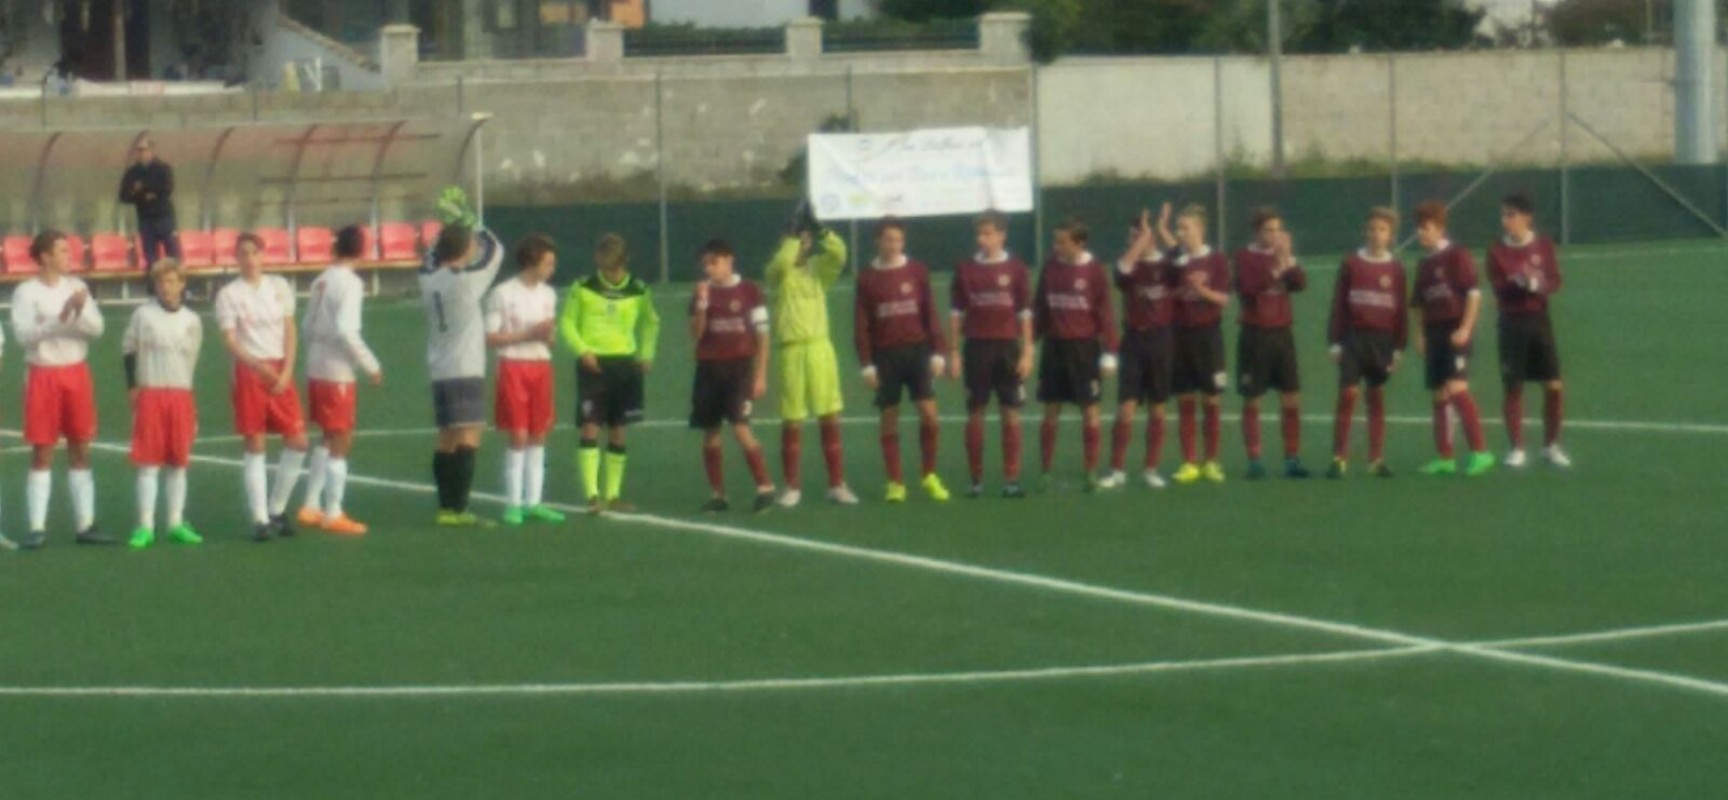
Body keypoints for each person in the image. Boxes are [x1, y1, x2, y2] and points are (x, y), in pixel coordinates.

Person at [10, 230, 110, 549]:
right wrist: (60, 318)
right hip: (43, 375)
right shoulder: (26, 292)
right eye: (63, 251)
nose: (70, 256)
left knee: (81, 447)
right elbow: (24, 336)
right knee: (43, 451)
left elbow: (97, 329)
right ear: (44, 257)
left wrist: (76, 313)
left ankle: (86, 524)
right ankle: (37, 527)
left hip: (76, 374)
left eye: (70, 251)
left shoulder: (77, 288)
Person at [215, 233, 311, 542]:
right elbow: (230, 339)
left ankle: (277, 508)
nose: (249, 259)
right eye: (243, 253)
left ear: (263, 255)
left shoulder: (279, 286)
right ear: (236, 258)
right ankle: (259, 519)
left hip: (280, 369)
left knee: (298, 441)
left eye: (254, 252)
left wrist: (287, 370)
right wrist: (257, 365)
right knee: (255, 443)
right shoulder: (229, 294)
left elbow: (290, 330)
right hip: (250, 372)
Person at [559, 233, 661, 515]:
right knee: (590, 426)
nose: (609, 273)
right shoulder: (582, 287)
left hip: (625, 366)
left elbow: (652, 323)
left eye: (614, 268)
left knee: (618, 430)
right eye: (604, 267)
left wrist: (646, 354)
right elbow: (567, 322)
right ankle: (592, 495)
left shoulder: (639, 290)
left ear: (624, 262)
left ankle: (613, 494)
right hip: (594, 366)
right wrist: (583, 350)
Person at [766, 205, 857, 507]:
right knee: (793, 419)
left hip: (820, 348)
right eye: (794, 241)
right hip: (791, 351)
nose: (802, 247)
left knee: (829, 415)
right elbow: (781, 264)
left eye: (805, 242)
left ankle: (837, 483)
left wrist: (821, 230)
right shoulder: (778, 273)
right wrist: (793, 237)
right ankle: (791, 486)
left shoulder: (818, 271)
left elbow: (840, 255)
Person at [854, 218, 949, 503]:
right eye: (888, 240)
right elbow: (861, 324)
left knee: (930, 415)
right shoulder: (866, 277)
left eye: (898, 240)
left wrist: (938, 351)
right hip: (885, 356)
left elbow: (929, 312)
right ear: (878, 241)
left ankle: (929, 475)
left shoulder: (917, 271)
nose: (894, 245)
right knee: (889, 417)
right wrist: (867, 363)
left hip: (917, 351)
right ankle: (895, 482)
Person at [297, 225, 383, 535]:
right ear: (361, 250)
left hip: (316, 366)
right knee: (342, 437)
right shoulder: (351, 283)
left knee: (326, 436)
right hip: (337, 371)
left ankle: (310, 504)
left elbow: (306, 324)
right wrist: (370, 364)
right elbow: (347, 330)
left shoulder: (321, 279)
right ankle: (333, 511)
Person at [420, 221, 506, 526]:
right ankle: (459, 508)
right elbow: (496, 251)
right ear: (466, 248)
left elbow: (429, 256)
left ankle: (446, 507)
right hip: (465, 366)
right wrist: (477, 223)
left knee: (446, 437)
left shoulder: (428, 279)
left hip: (440, 367)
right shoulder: (468, 281)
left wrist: (443, 236)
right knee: (469, 435)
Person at [949, 211, 1034, 499]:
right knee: (975, 412)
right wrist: (954, 353)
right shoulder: (965, 269)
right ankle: (976, 480)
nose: (981, 239)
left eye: (987, 234)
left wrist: (1027, 352)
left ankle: (1011, 479)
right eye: (979, 234)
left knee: (1011, 412)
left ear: (1001, 235)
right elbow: (956, 314)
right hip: (976, 348)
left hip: (1008, 348)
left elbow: (1024, 313)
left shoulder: (1016, 268)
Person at [690, 239, 777, 514]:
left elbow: (763, 336)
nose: (709, 269)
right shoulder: (701, 293)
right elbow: (695, 333)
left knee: (741, 428)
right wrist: (702, 306)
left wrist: (761, 374)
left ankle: (765, 488)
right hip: (708, 370)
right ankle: (718, 495)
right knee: (711, 432)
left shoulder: (750, 290)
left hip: (739, 370)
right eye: (705, 264)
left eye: (714, 262)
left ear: (730, 260)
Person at [1032, 218, 1118, 491]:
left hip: (1084, 349)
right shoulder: (1050, 267)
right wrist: (1029, 343)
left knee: (1090, 411)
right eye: (1055, 241)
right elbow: (1039, 309)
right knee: (1051, 410)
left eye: (1062, 242)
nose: (1056, 246)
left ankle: (1090, 472)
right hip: (1054, 348)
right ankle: (1045, 471)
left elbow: (1105, 314)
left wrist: (1110, 353)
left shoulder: (1094, 272)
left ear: (1079, 243)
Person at [486, 234, 566, 526]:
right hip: (513, 367)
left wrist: (548, 335)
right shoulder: (502, 294)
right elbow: (491, 337)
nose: (552, 268)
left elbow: (550, 340)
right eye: (548, 263)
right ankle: (513, 504)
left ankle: (534, 502)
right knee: (518, 435)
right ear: (532, 263)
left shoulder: (548, 294)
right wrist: (529, 333)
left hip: (541, 366)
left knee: (539, 432)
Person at [123, 259, 204, 549]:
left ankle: (175, 522)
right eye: (161, 282)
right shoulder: (143, 315)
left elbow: (191, 360)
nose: (166, 287)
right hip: (151, 393)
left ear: (182, 284)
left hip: (180, 395)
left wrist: (186, 394)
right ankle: (145, 525)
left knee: (178, 463)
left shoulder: (192, 321)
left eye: (171, 281)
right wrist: (133, 386)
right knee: (148, 463)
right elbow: (129, 350)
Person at [1412, 202, 1496, 477]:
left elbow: (1473, 293)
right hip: (1434, 331)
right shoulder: (1424, 263)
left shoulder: (1457, 255)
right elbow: (1418, 304)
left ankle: (1480, 452)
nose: (1420, 233)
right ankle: (1445, 457)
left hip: (1454, 329)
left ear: (1439, 229)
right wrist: (1420, 333)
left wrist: (1466, 328)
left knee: (1457, 387)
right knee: (1439, 393)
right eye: (1419, 228)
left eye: (1425, 228)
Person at [1101, 206, 1180, 491]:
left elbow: (1182, 257)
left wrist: (1160, 229)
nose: (1134, 242)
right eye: (1132, 237)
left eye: (1139, 237)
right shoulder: (1129, 266)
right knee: (1127, 408)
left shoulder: (1167, 265)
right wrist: (1140, 239)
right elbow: (1121, 272)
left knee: (1158, 408)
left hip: (1161, 340)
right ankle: (1117, 469)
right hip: (1134, 340)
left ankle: (1150, 468)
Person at [1327, 207, 1409, 479]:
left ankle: (1375, 459)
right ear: (1365, 232)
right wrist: (1335, 342)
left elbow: (1401, 311)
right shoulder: (1351, 263)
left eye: (1382, 230)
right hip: (1353, 338)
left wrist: (1399, 347)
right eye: (1372, 229)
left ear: (1391, 236)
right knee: (1348, 394)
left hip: (1382, 341)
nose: (1376, 234)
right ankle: (1339, 457)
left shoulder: (1396, 269)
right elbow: (1338, 304)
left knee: (1376, 396)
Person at [1488, 192, 1569, 468]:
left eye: (1511, 215)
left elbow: (1555, 280)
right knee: (1513, 387)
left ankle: (1551, 446)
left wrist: (1538, 284)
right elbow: (1497, 285)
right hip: (1511, 323)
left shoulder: (1543, 245)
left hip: (1539, 321)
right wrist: (1519, 282)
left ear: (1527, 218)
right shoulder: (1497, 250)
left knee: (1554, 386)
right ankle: (1517, 448)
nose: (1505, 220)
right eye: (1503, 215)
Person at [1233, 208, 1311, 480]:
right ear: (1257, 232)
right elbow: (1248, 289)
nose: (1275, 235)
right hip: (1255, 334)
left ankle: (1292, 458)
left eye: (1278, 229)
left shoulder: (1283, 256)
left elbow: (1300, 283)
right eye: (1269, 230)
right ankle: (1255, 459)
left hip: (1281, 334)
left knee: (1291, 397)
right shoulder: (1245, 256)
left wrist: (1287, 259)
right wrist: (1277, 267)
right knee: (1252, 399)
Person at [1168, 205, 1232, 485]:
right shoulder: (1175, 262)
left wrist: (1200, 289)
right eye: (1178, 228)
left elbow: (1224, 300)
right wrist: (1181, 290)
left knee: (1211, 399)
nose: (1181, 233)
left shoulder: (1216, 260)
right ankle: (1189, 462)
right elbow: (1168, 295)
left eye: (1186, 227)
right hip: (1180, 336)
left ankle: (1212, 461)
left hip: (1208, 336)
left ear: (1200, 229)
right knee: (1185, 399)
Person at [118, 137, 180, 268]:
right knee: (151, 257)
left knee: (173, 255)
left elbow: (167, 188)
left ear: (151, 151)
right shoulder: (133, 172)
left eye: (144, 150)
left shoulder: (163, 168)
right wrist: (140, 194)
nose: (141, 153)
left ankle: (177, 283)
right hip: (145, 219)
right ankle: (153, 286)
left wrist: (144, 188)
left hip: (164, 217)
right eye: (139, 151)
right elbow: (124, 196)